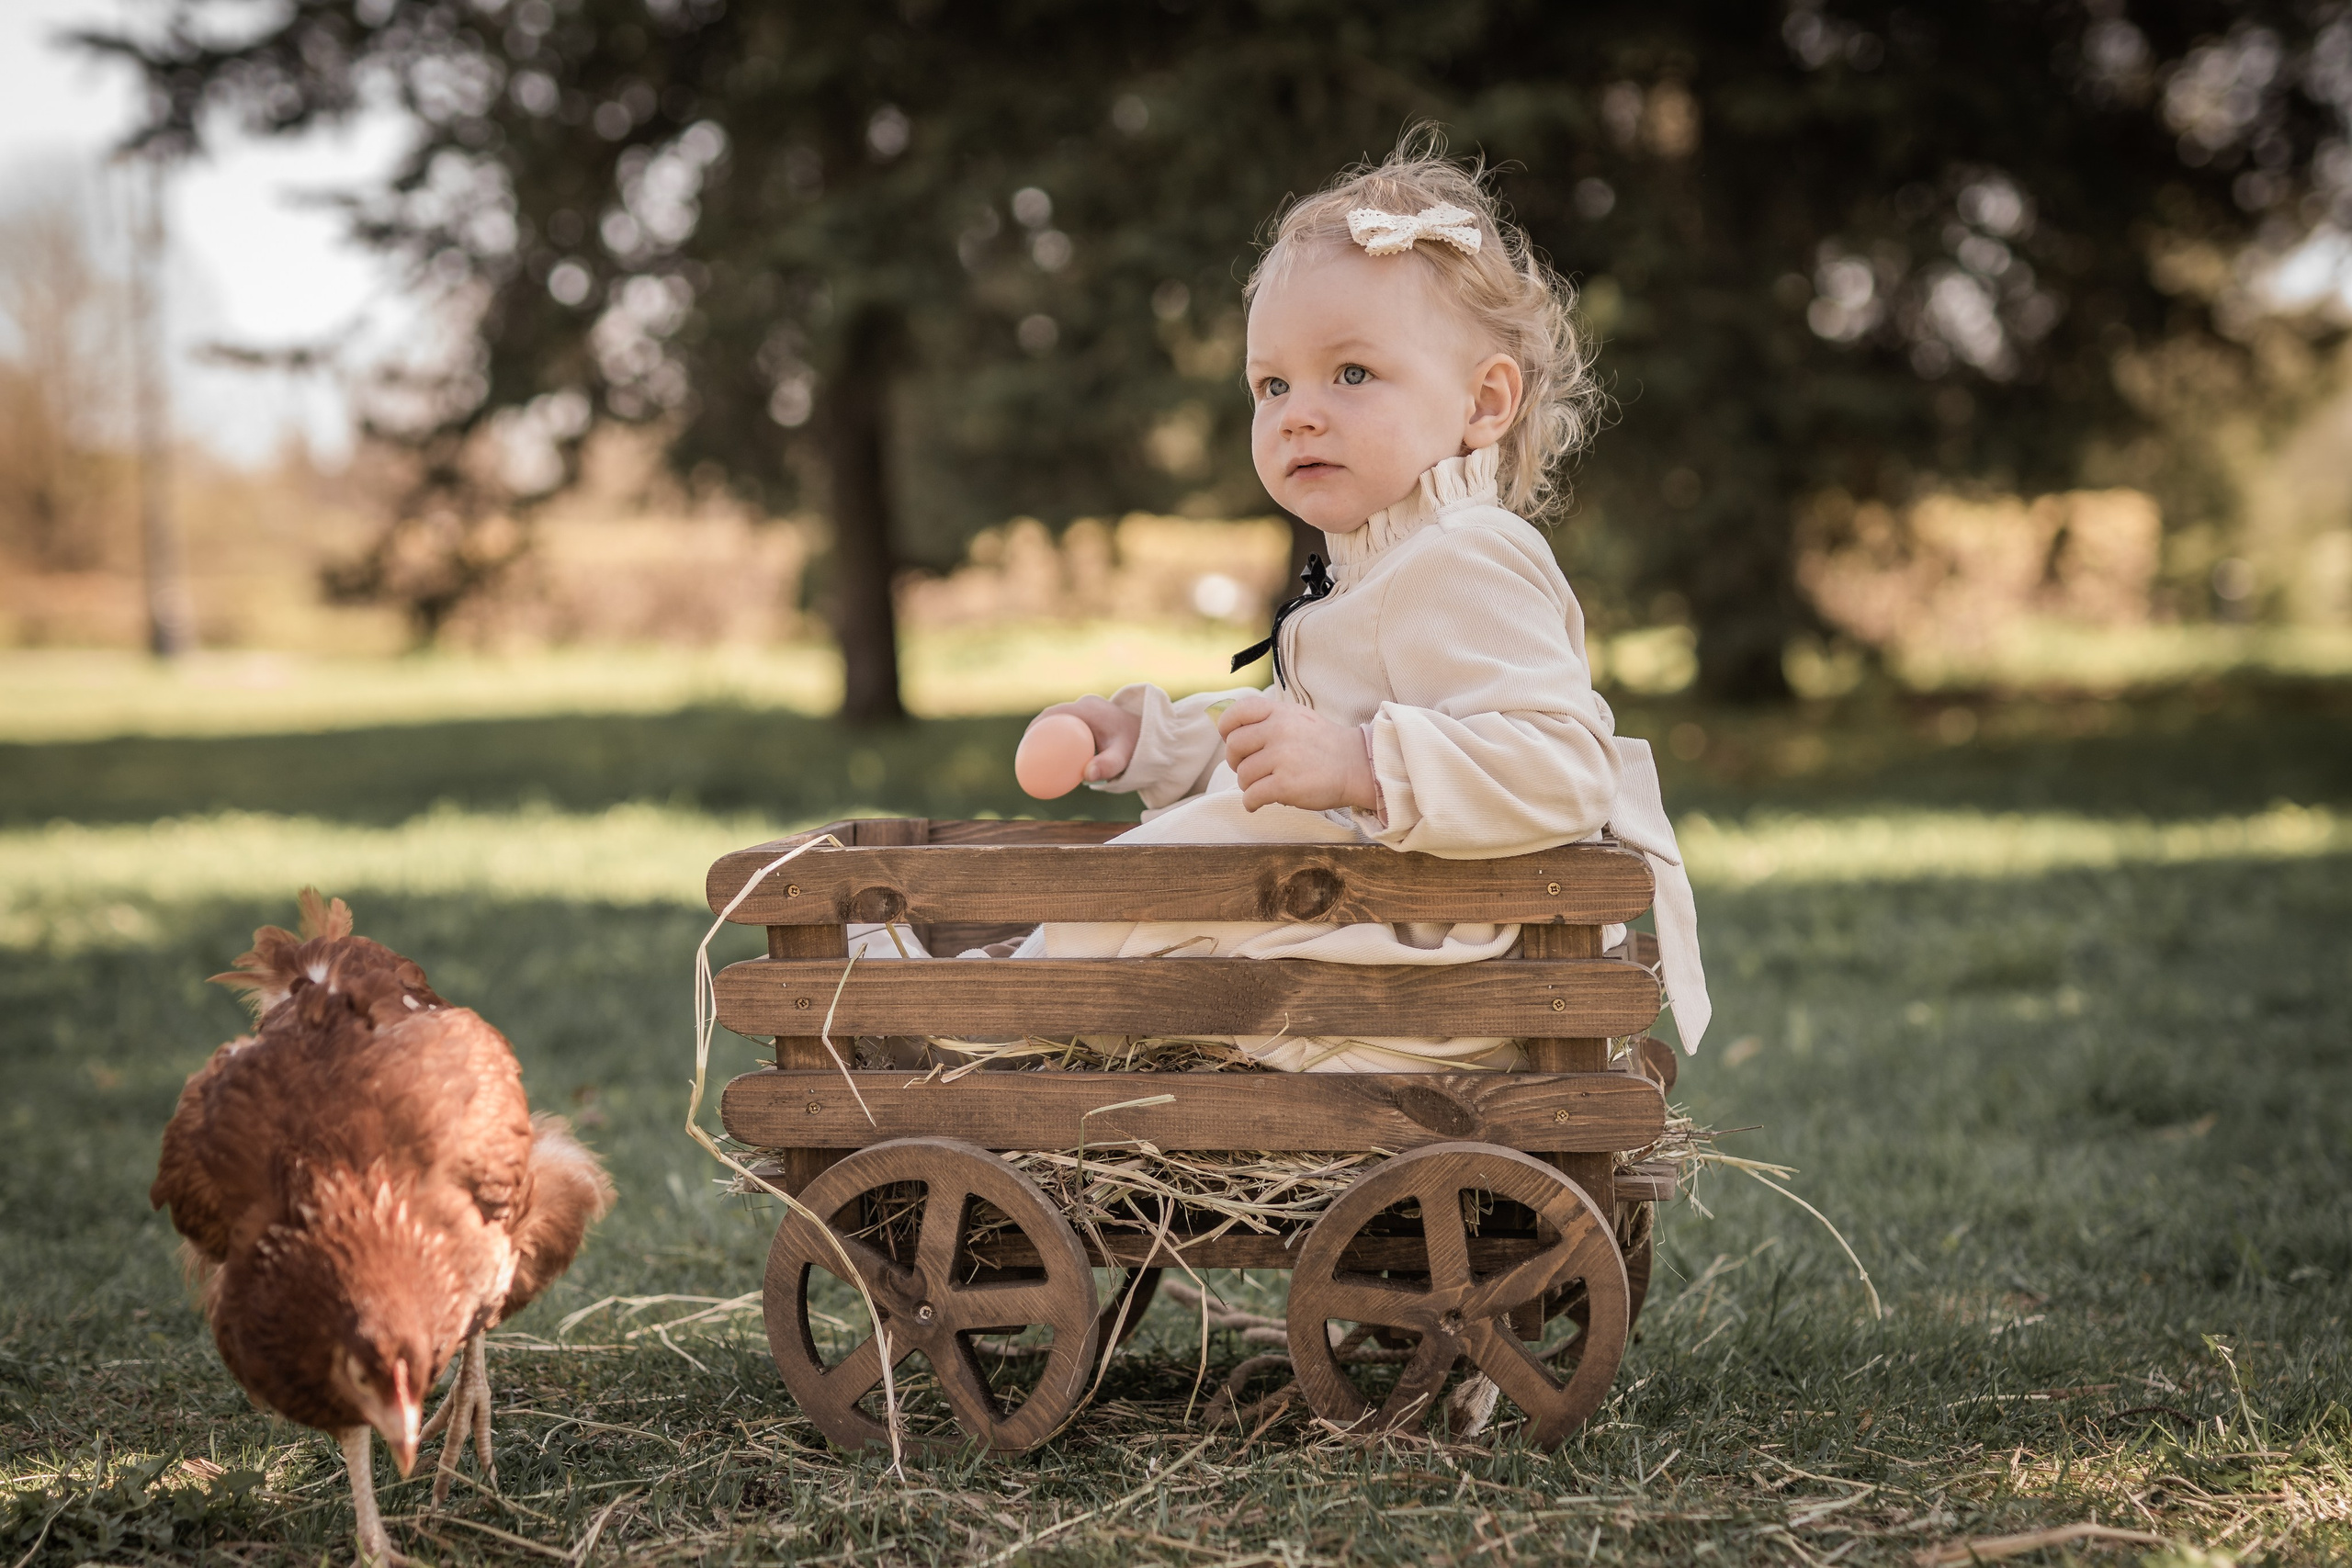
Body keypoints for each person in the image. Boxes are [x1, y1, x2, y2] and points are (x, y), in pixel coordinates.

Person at [860, 143, 1709, 1070]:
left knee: (1219, 847)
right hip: (1369, 932)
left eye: (1350, 374)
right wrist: (1154, 742)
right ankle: (1016, 989)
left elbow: (1565, 768)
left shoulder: (1467, 558)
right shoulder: (1379, 564)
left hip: (1444, 975)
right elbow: (1295, 739)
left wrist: (1357, 767)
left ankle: (986, 1012)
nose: (1299, 412)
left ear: (1483, 401)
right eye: (1273, 385)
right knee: (1233, 831)